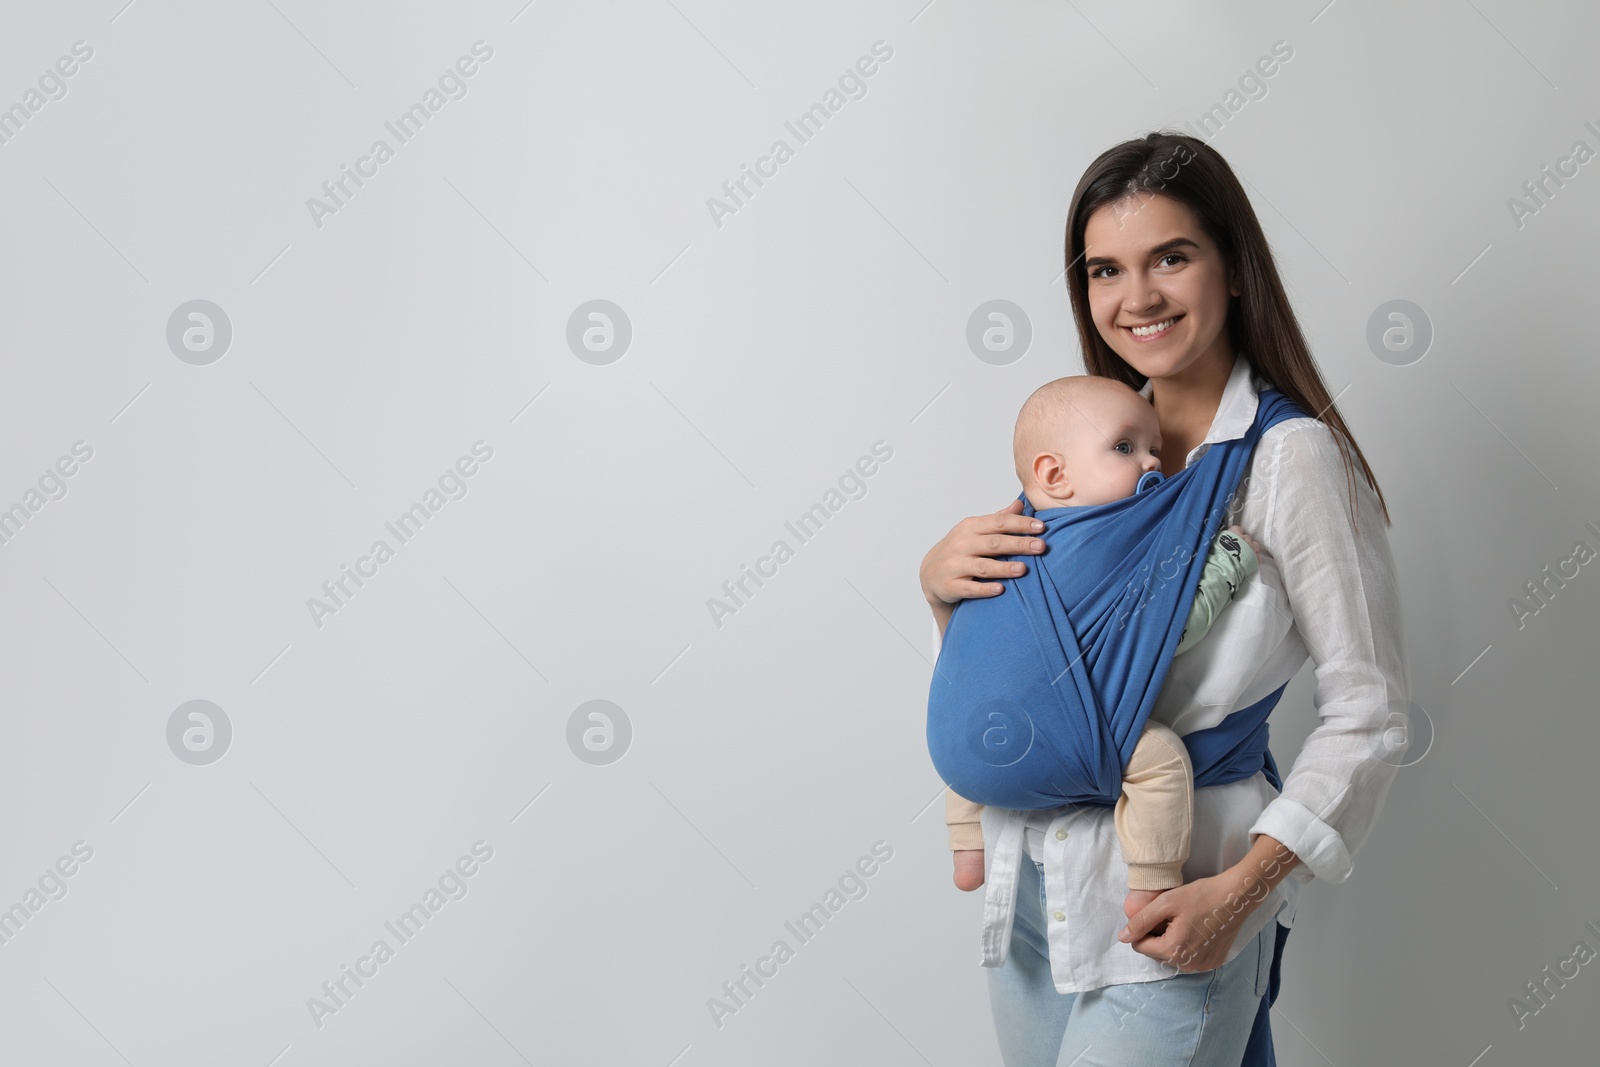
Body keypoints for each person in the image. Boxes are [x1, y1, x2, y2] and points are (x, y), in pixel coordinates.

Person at [919, 130, 1410, 1066]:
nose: (1135, 297)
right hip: (1028, 890)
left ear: (1232, 270)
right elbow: (1027, 673)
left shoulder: (1287, 457)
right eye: (1106, 269)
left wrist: (1245, 894)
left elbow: (1372, 711)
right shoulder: (1073, 450)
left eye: (1170, 258)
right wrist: (941, 592)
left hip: (1178, 886)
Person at [936, 373, 1267, 926]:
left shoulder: (1003, 539)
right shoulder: (1106, 546)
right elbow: (1164, 631)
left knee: (972, 714)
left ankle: (968, 846)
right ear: (1054, 473)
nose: (1153, 464)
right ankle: (1153, 881)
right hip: (1063, 738)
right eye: (1124, 447)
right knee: (1159, 761)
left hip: (959, 749)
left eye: (1155, 450)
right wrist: (1228, 562)